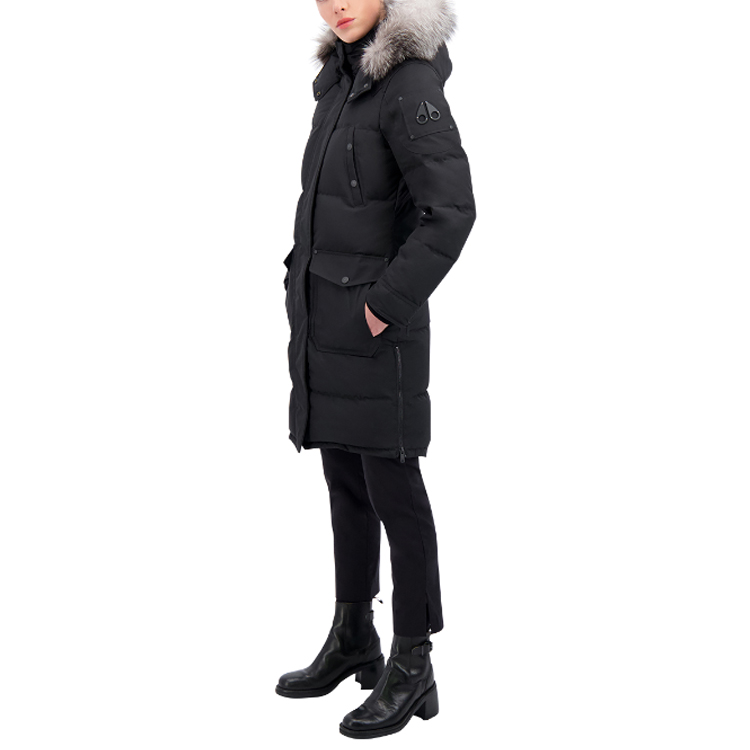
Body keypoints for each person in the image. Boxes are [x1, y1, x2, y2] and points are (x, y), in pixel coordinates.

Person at [276, 0, 476, 739]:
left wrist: (384, 305)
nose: (337, 4)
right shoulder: (341, 79)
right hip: (326, 324)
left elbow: (452, 211)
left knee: (395, 492)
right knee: (346, 484)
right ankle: (354, 633)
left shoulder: (408, 84)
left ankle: (414, 660)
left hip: (376, 332)